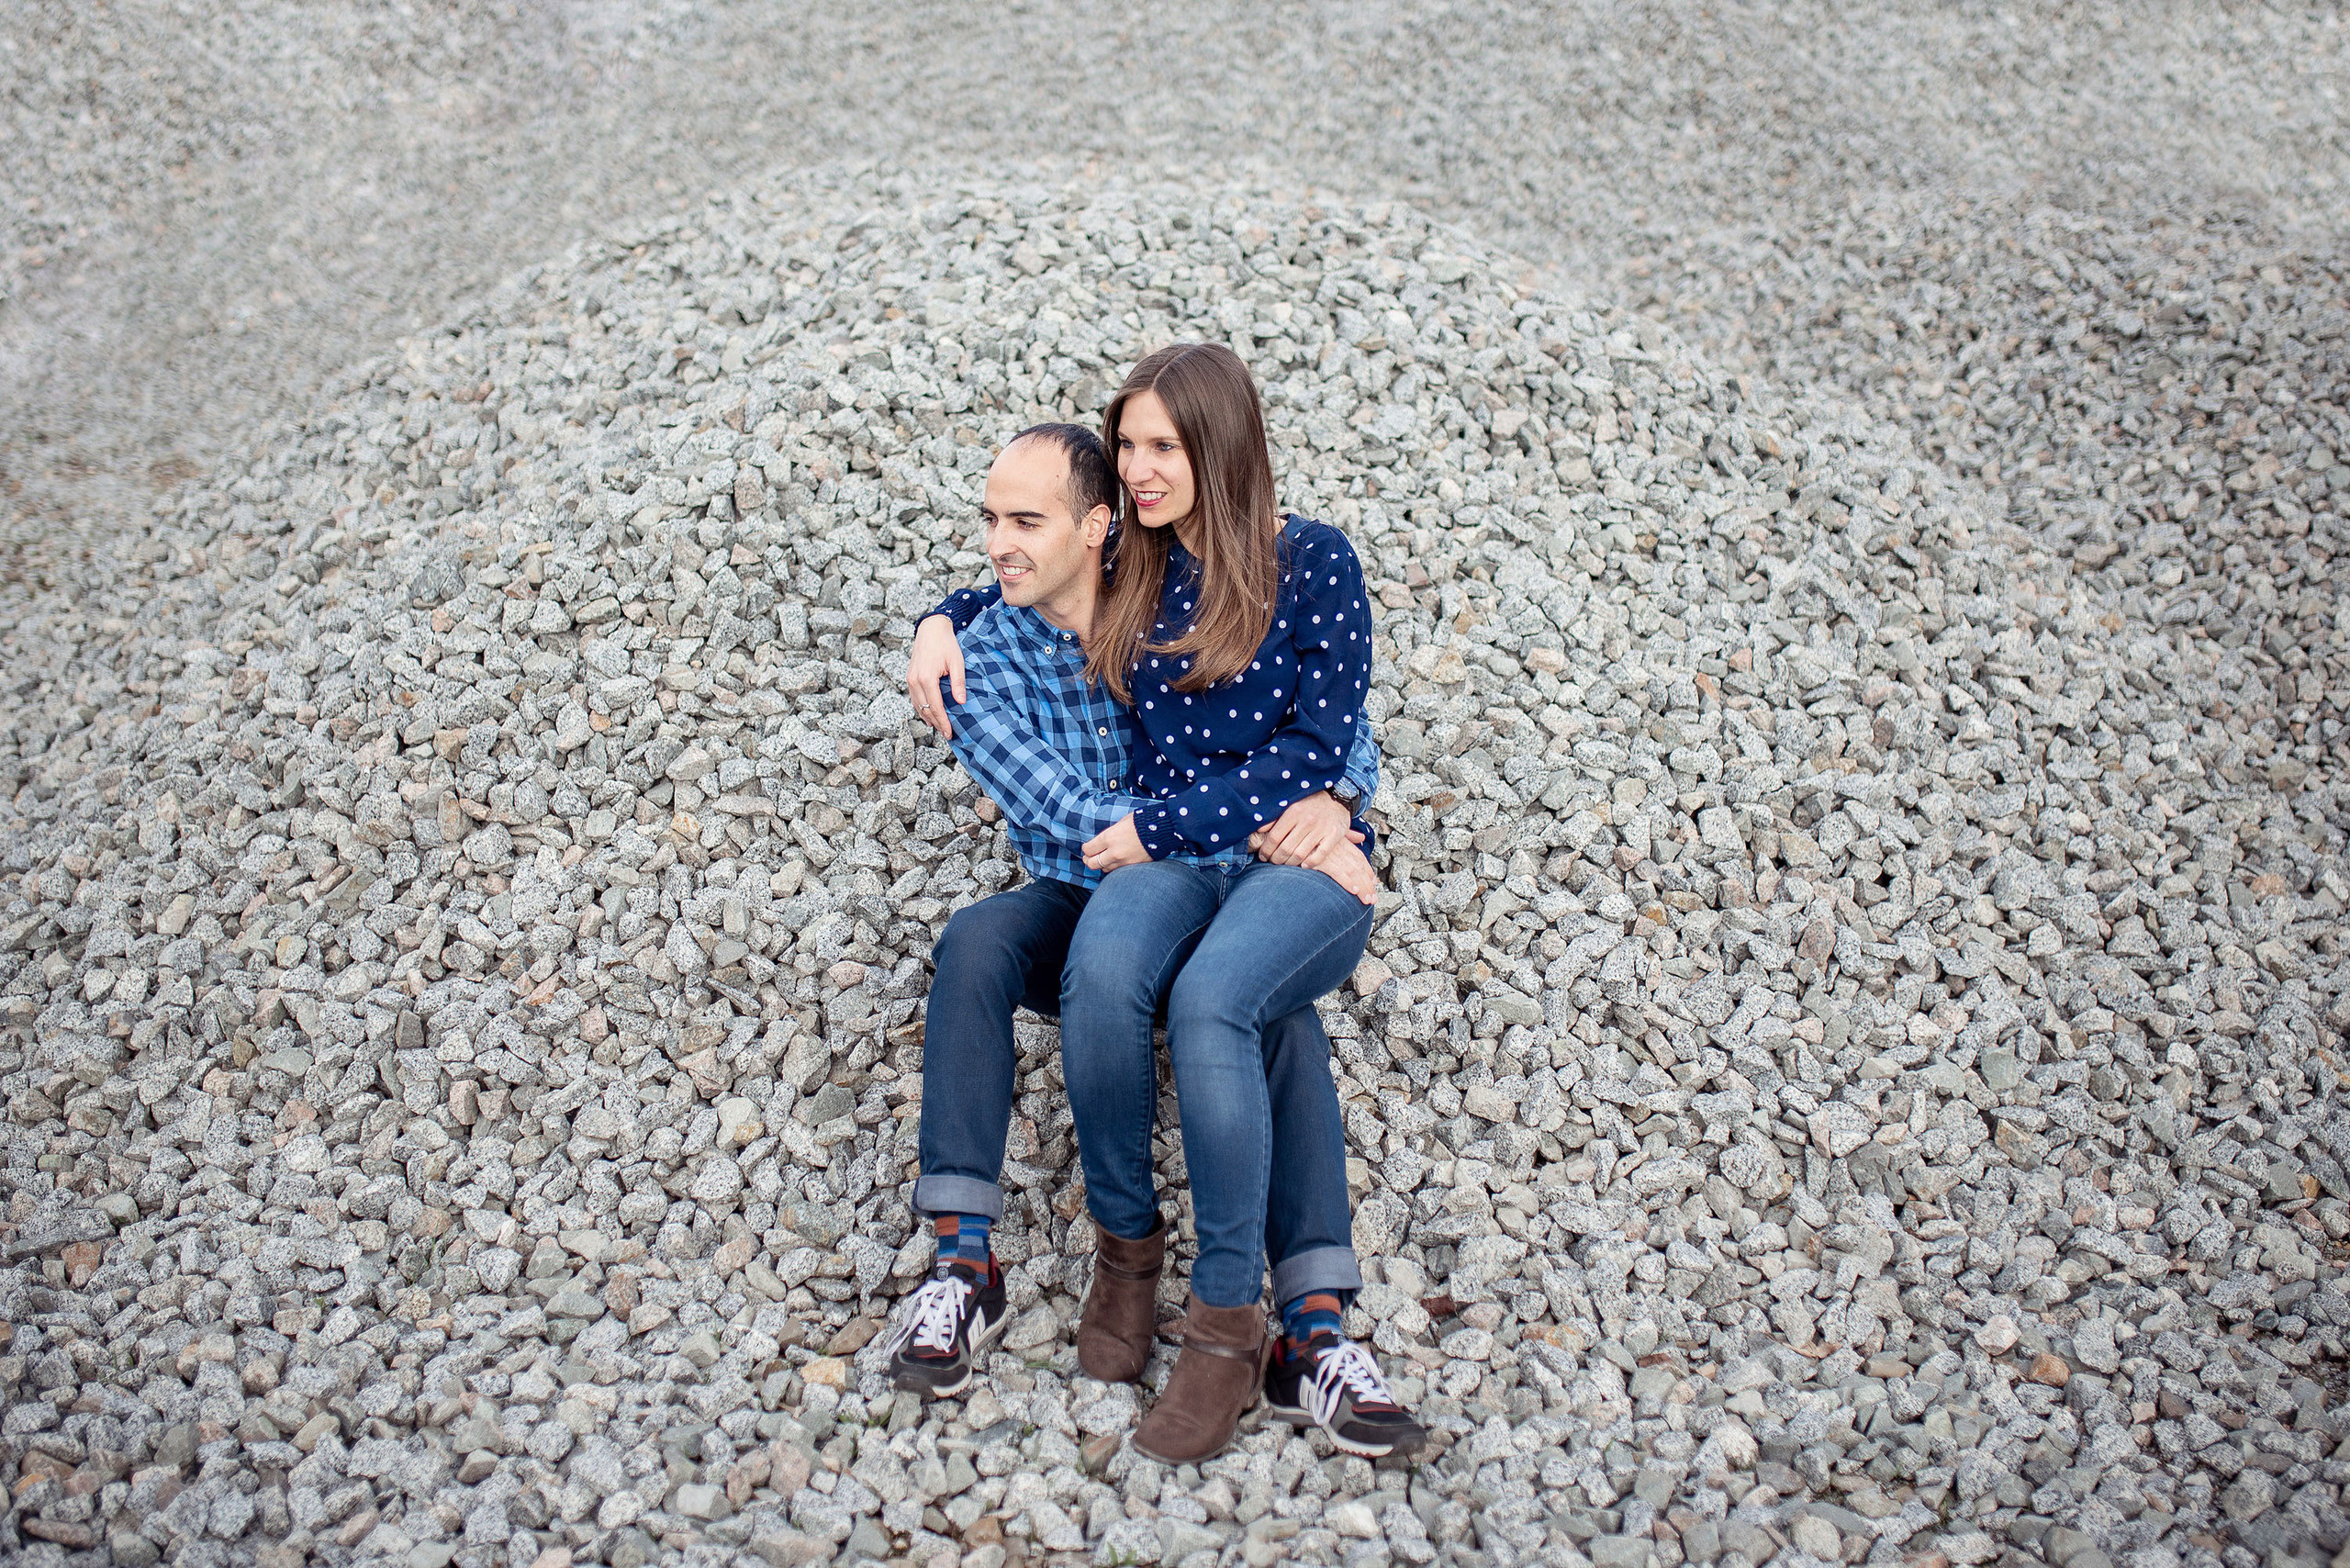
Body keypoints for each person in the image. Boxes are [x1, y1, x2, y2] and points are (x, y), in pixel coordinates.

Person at [908, 344, 1423, 1463]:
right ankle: (1118, 1255)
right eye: (1129, 446)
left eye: (1162, 448)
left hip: (1275, 860)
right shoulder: (1133, 574)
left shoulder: (1310, 561)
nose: (1139, 471)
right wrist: (939, 615)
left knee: (1230, 1003)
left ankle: (1249, 1330)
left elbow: (1330, 725)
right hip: (1175, 857)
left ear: (1218, 447)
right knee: (1102, 964)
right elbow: (1039, 560)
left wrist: (1336, 798)